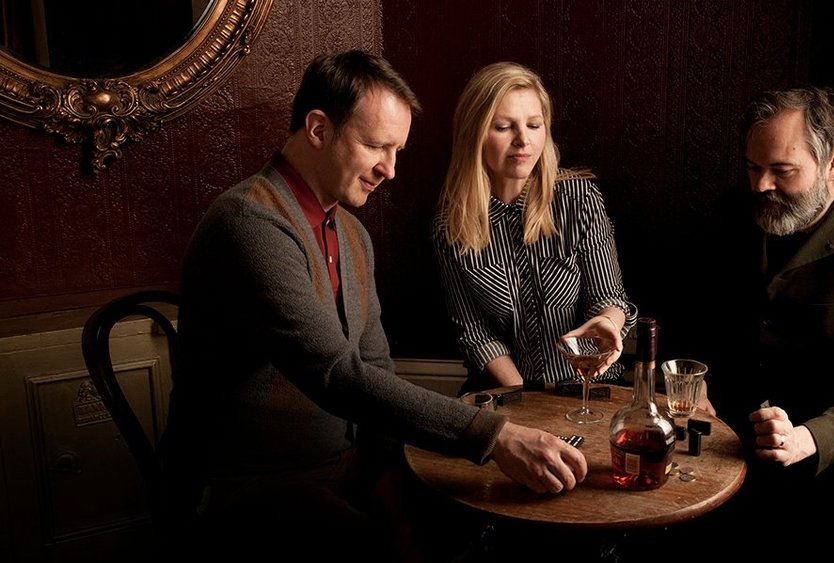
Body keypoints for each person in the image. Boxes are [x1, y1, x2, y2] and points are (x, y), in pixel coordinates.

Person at [159, 50, 587, 559]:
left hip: (343, 473)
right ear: (319, 129)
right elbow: (336, 374)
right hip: (248, 489)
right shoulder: (249, 222)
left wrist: (388, 476)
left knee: (479, 526)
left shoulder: (352, 234)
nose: (390, 169)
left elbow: (376, 367)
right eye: (376, 146)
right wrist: (495, 437)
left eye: (397, 150)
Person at [689, 86, 834, 545]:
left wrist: (806, 438)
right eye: (753, 167)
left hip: (825, 419)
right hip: (729, 405)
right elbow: (697, 313)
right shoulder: (733, 211)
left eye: (782, 171)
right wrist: (696, 381)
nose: (761, 185)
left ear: (833, 163)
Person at [432, 61, 638, 394]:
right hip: (507, 393)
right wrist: (527, 401)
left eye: (533, 124)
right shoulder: (449, 226)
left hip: (587, 387)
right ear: (475, 135)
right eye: (503, 126)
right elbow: (475, 332)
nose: (523, 140)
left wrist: (607, 322)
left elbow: (609, 296)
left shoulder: (579, 199)